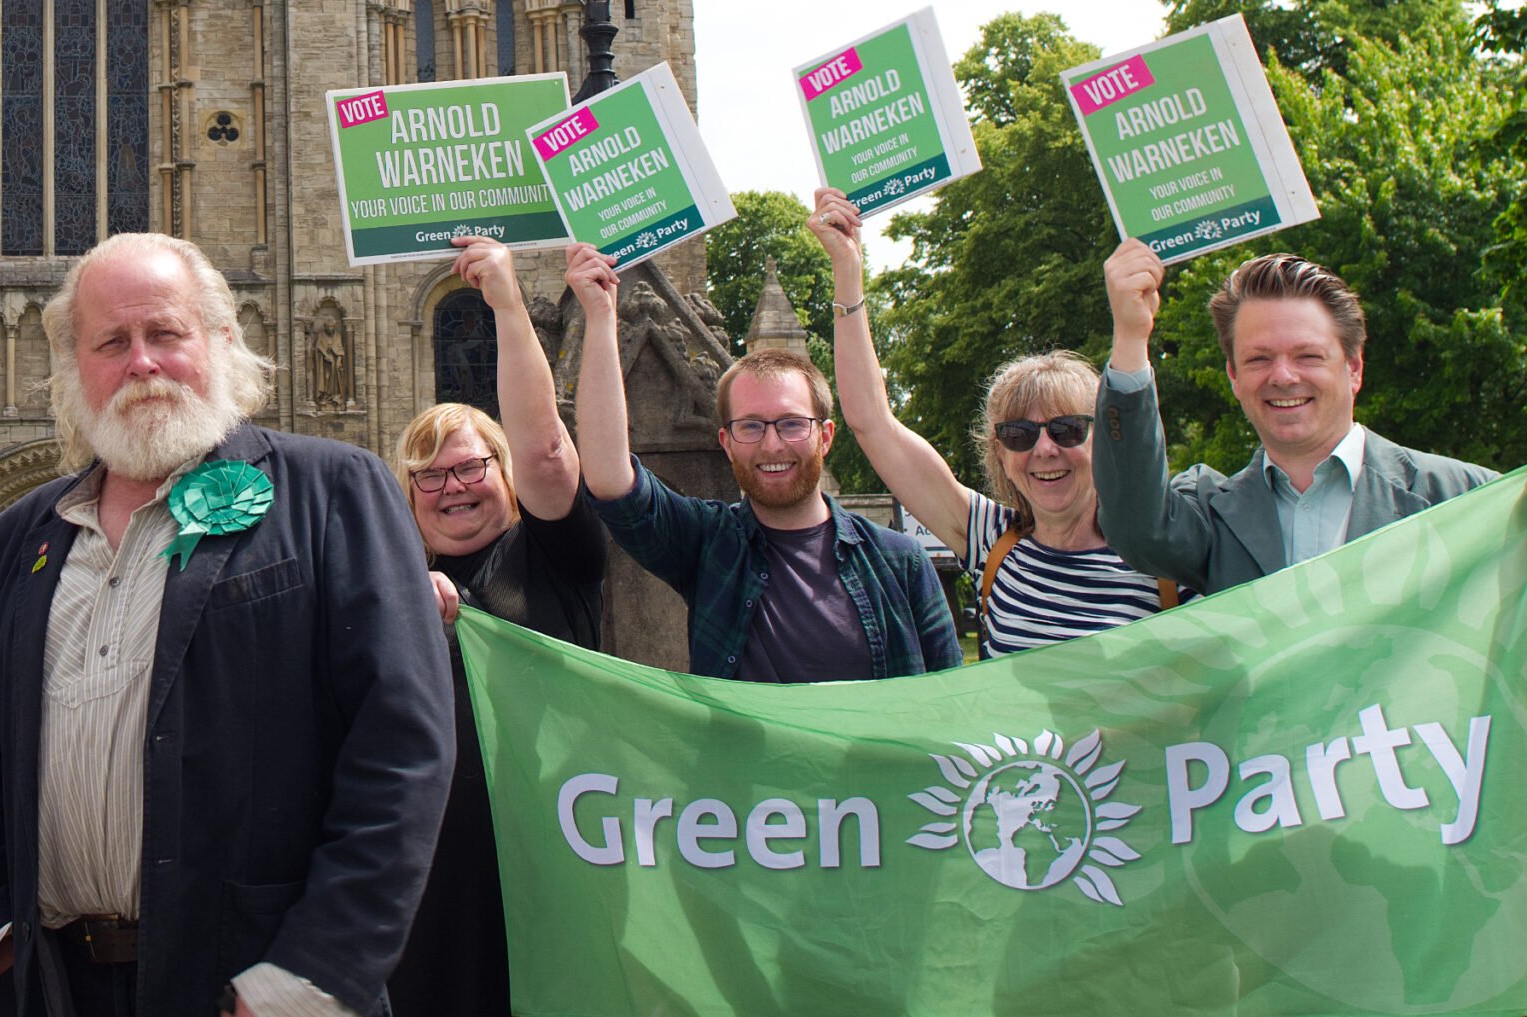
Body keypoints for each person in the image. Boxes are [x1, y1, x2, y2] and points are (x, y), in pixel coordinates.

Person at [0, 232, 453, 1017]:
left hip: (250, 986)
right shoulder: (14, 541)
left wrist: (301, 982)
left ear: (221, 340)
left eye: (165, 333)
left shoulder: (332, 493)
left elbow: (402, 749)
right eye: (111, 341)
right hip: (55, 989)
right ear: (75, 367)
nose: (141, 362)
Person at [808, 189, 1181, 656]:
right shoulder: (992, 542)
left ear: (1104, 441)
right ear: (1000, 454)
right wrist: (847, 269)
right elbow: (870, 422)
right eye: (1019, 435)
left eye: (1066, 429)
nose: (1044, 449)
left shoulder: (1164, 554)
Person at [387, 238, 609, 1017]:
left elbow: (550, 454)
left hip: (548, 861)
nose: (453, 487)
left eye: (472, 467)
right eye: (430, 475)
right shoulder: (388, 589)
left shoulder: (551, 555)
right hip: (427, 887)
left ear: (502, 473)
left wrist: (508, 304)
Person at [575, 245, 960, 681]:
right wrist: (601, 315)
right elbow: (610, 480)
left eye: (792, 424)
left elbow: (949, 705)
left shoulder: (900, 561)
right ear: (727, 442)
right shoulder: (708, 545)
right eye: (752, 426)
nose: (772, 444)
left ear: (825, 436)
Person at [1097, 241, 1497, 594]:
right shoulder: (1213, 515)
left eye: (1307, 356)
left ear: (1354, 368)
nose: (1283, 376)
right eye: (1259, 359)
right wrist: (1131, 337)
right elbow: (1136, 529)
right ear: (1234, 377)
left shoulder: (1465, 496)